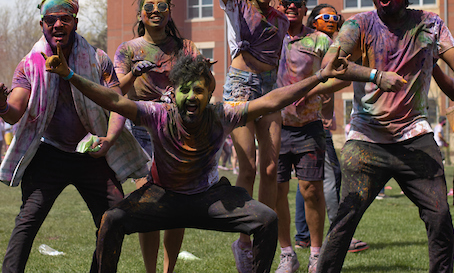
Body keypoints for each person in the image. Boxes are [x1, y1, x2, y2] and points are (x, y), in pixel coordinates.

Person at [44, 43, 351, 273]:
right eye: (185, 90)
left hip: (209, 199)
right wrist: (69, 75)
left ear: (210, 93)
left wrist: (320, 77)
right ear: (174, 92)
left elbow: (272, 99)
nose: (192, 97)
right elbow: (112, 98)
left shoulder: (222, 115)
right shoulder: (156, 113)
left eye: (200, 91)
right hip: (162, 197)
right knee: (112, 220)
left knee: (266, 219)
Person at [0, 0, 148, 273]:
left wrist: (108, 141)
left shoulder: (97, 59)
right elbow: (15, 111)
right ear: (42, 24)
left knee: (115, 217)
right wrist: (1, 101)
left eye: (65, 19)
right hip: (49, 154)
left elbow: (117, 103)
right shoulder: (30, 64)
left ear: (75, 22)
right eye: (51, 20)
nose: (58, 24)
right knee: (29, 219)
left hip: (91, 152)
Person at [317, 0, 454, 273]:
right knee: (344, 220)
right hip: (366, 141)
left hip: (415, 138)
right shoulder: (358, 24)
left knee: (439, 218)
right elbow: (329, 67)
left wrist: (431, 61)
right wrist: (375, 75)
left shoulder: (429, 24)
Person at [185, 0, 289, 273]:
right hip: (241, 88)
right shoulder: (237, 5)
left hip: (270, 87)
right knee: (248, 166)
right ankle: (243, 241)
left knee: (272, 168)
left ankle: (264, 235)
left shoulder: (281, 19)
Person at [114, 0, 199, 273]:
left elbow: (202, 84)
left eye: (161, 6)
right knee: (148, 203)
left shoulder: (185, 48)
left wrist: (198, 77)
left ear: (168, 11)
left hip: (178, 131)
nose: (155, 11)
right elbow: (116, 92)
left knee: (176, 203)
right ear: (140, 13)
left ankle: (168, 271)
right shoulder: (128, 49)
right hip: (141, 131)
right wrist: (134, 73)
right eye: (149, 6)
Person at [293, 4, 368, 255]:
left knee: (309, 179)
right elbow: (342, 78)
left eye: (335, 17)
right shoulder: (316, 44)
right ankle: (338, 236)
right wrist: (313, 92)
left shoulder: (324, 44)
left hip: (314, 118)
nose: (332, 20)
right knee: (329, 176)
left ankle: (303, 235)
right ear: (313, 20)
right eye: (326, 17)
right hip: (308, 120)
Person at [271, 0, 331, 273]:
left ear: (306, 9)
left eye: (297, 3)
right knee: (277, 191)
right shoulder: (269, 38)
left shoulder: (320, 40)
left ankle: (316, 255)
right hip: (274, 128)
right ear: (278, 7)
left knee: (311, 191)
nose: (291, 6)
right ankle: (287, 255)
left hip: (308, 127)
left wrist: (314, 88)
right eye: (285, 3)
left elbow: (340, 74)